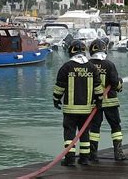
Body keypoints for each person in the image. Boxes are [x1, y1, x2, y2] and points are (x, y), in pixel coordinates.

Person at [53, 39, 103, 167]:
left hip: (70, 109)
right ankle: (84, 159)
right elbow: (98, 87)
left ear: (71, 51)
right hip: (87, 109)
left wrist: (56, 99)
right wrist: (99, 101)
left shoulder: (66, 67)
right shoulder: (92, 67)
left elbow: (59, 87)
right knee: (84, 133)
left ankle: (70, 159)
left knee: (69, 133)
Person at [88, 38, 126, 162]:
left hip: (94, 103)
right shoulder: (109, 65)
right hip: (110, 102)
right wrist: (120, 84)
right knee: (115, 126)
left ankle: (92, 155)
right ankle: (118, 153)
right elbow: (115, 83)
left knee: (94, 128)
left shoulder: (87, 65)